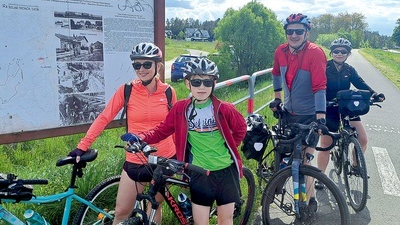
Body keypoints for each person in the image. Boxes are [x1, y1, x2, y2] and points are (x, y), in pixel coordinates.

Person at [121, 57, 247, 225]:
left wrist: (230, 145)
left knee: (225, 220)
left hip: (226, 172)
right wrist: (142, 137)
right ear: (188, 83)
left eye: (207, 82)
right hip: (199, 173)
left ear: (214, 83)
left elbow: (241, 129)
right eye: (196, 82)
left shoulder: (225, 109)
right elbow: (163, 129)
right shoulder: (181, 109)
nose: (201, 87)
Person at [68, 42, 177, 224]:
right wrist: (82, 146)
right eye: (137, 65)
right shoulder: (127, 90)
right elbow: (104, 117)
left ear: (157, 65)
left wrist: (182, 155)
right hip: (135, 159)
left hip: (163, 159)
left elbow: (175, 125)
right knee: (121, 211)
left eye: (146, 64)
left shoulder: (168, 92)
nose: (141, 69)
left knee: (154, 209)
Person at [269, 13, 328, 211]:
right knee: (287, 154)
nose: (294, 35)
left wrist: (320, 119)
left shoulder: (315, 53)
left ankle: (309, 201)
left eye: (299, 31)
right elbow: (276, 74)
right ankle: (278, 188)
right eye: (290, 31)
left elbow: (320, 87)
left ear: (307, 33)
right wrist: (277, 98)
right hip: (289, 113)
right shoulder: (280, 51)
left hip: (310, 115)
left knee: (305, 159)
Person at [315, 38, 385, 189]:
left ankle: (355, 165)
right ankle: (320, 176)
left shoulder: (349, 69)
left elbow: (360, 83)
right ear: (331, 52)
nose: (339, 54)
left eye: (343, 51)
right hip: (329, 107)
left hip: (347, 106)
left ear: (348, 53)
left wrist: (374, 94)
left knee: (363, 139)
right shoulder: (324, 67)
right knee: (326, 144)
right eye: (336, 51)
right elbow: (317, 85)